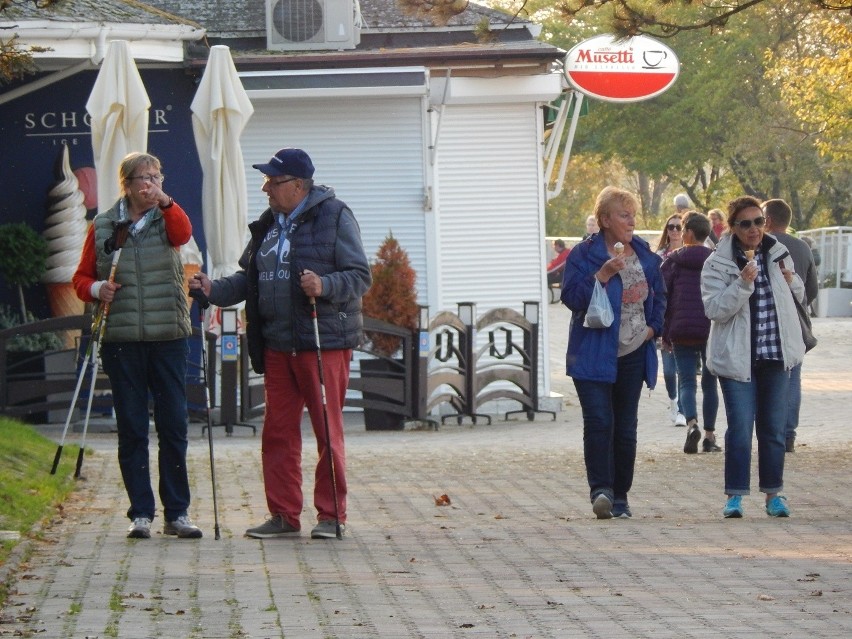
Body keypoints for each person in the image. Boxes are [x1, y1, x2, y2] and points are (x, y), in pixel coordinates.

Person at [190, 148, 371, 540]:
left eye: (273, 181)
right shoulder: (268, 225)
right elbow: (247, 279)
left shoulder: (335, 215)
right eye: (266, 180)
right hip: (277, 345)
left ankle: (331, 514)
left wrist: (325, 285)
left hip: (322, 343)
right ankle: (284, 514)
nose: (265, 187)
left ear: (299, 185)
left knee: (327, 430)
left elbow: (359, 275)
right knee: (277, 432)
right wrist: (213, 290)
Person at [72, 152, 201, 540]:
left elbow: (183, 234)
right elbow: (80, 278)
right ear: (126, 184)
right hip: (123, 340)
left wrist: (165, 201)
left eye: (156, 176)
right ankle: (141, 512)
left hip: (168, 337)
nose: (151, 183)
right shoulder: (105, 224)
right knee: (131, 427)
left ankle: (177, 513)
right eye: (143, 178)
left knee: (174, 425)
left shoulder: (168, 216)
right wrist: (98, 289)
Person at [561, 186, 666, 519]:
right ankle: (601, 492)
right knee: (599, 421)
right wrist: (603, 275)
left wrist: (652, 329)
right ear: (605, 220)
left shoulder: (646, 256)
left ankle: (620, 496)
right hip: (592, 350)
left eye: (633, 214)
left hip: (634, 350)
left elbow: (661, 298)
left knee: (624, 426)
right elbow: (571, 298)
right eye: (624, 215)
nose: (631, 220)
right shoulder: (584, 255)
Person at [701, 195, 806, 519]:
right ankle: (734, 496)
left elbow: (799, 297)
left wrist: (793, 281)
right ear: (732, 228)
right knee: (740, 429)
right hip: (737, 361)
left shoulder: (778, 253)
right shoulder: (717, 262)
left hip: (775, 356)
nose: (753, 229)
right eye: (745, 223)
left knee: (774, 430)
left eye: (758, 221)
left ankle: (774, 494)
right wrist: (743, 284)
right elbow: (715, 309)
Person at [661, 212, 720, 454]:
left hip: (681, 329)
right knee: (710, 384)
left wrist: (664, 334)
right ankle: (709, 436)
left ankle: (691, 424)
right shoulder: (716, 260)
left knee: (686, 380)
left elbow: (663, 296)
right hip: (710, 329)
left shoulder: (673, 261)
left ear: (688, 233)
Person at [763, 198, 819, 453]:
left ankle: (770, 430)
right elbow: (812, 289)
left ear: (769, 220)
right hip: (796, 321)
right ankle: (788, 434)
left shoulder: (762, 245)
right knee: (793, 377)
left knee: (769, 377)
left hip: (768, 321)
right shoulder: (803, 247)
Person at [655, 213, 687, 428]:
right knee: (668, 370)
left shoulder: (692, 254)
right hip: (665, 318)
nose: (674, 231)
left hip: (685, 317)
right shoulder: (659, 256)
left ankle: (684, 410)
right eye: (671, 227)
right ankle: (673, 400)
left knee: (684, 369)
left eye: (678, 227)